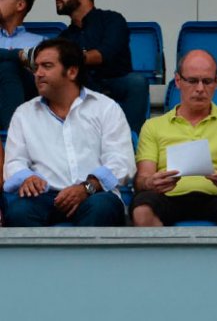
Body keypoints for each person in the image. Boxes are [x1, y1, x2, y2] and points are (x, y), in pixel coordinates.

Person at [3, 38, 135, 226]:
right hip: (44, 197)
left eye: (47, 66)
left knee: (103, 207)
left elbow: (122, 162)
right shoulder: (24, 113)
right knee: (19, 212)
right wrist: (27, 177)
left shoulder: (105, 108)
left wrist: (87, 187)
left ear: (72, 71)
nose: (38, 73)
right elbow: (14, 162)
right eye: (36, 67)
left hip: (93, 194)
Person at [130, 50, 217, 226]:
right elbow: (143, 177)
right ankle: (160, 255)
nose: (200, 89)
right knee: (142, 206)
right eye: (192, 80)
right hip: (168, 197)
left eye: (207, 81)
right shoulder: (153, 126)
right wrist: (151, 182)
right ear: (178, 81)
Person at [53, 0, 149, 133]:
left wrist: (73, 58)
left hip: (116, 82)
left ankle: (130, 141)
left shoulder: (112, 19)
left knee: (137, 82)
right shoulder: (64, 37)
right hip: (82, 87)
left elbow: (106, 53)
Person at [0, 0, 44, 129]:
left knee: (8, 67)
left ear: (20, 5)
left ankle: (11, 134)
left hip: (26, 94)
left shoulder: (41, 42)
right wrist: (17, 55)